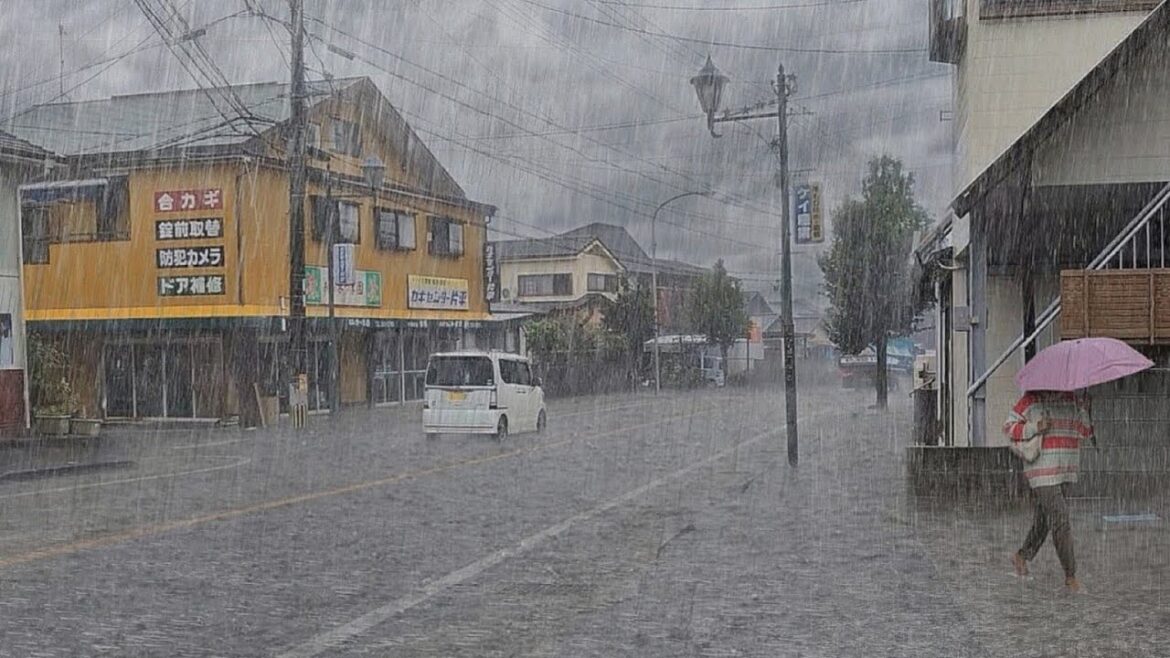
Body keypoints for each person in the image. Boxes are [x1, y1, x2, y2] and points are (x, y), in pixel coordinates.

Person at [1004, 390, 1094, 592]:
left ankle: (1021, 556)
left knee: (1044, 520)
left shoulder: (1073, 400)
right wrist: (1036, 426)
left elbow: (1085, 432)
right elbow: (1009, 428)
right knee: (1060, 519)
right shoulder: (1031, 400)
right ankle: (1071, 577)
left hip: (1066, 469)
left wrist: (1085, 410)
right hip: (1041, 470)